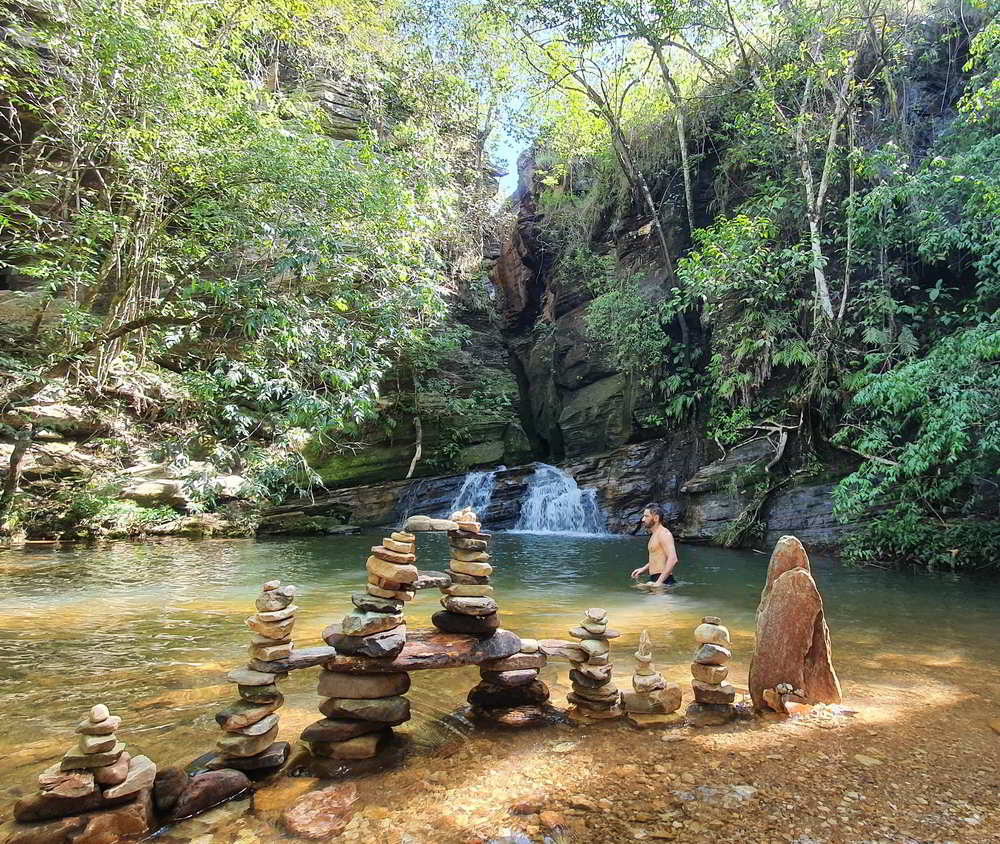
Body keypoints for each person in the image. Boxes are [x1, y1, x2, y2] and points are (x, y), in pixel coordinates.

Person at [630, 503, 679, 587]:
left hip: (663, 579)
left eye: (646, 516)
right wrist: (643, 569)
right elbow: (657, 557)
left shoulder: (664, 534)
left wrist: (659, 582)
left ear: (656, 518)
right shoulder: (655, 534)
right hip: (656, 578)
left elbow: (673, 559)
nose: (642, 519)